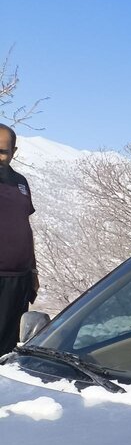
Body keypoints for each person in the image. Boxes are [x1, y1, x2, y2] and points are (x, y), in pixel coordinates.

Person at [0, 124, 39, 356]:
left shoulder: (21, 182)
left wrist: (33, 271)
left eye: (2, 151)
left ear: (14, 151)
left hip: (18, 279)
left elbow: (25, 227)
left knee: (7, 348)